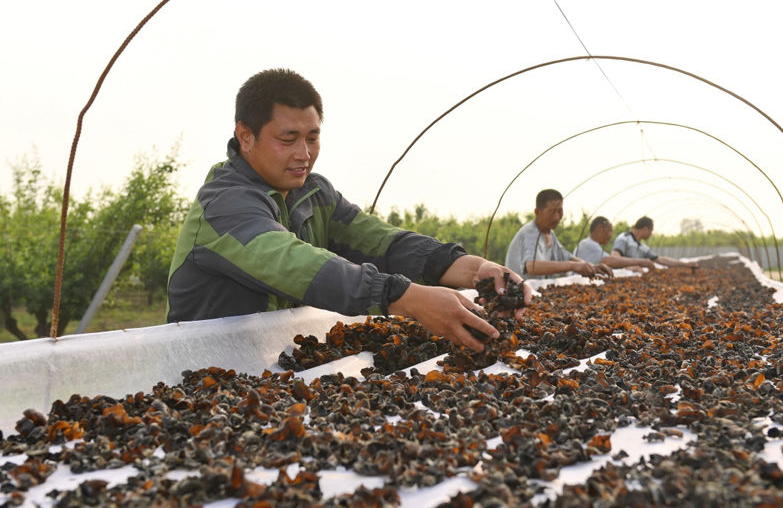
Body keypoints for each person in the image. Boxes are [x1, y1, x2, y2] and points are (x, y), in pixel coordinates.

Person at [166, 68, 532, 352]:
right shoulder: (225, 205)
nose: (304, 154)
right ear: (245, 136)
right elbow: (295, 264)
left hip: (273, 368)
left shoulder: (314, 193)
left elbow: (382, 242)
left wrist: (476, 271)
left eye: (312, 137)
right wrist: (405, 297)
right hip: (203, 376)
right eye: (288, 139)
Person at [504, 189, 613, 279]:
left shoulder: (550, 233)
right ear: (537, 212)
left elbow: (566, 257)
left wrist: (592, 267)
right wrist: (573, 266)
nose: (557, 217)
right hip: (519, 294)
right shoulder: (530, 232)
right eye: (551, 212)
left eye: (560, 211)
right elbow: (532, 266)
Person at [611, 216, 699, 268]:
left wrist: (685, 264)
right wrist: (630, 266)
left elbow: (660, 259)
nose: (651, 234)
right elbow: (614, 257)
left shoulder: (642, 247)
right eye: (651, 230)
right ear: (645, 229)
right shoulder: (624, 238)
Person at [574, 216, 657, 271]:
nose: (611, 235)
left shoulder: (592, 245)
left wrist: (629, 267)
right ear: (600, 228)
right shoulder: (588, 244)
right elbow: (609, 260)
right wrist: (640, 262)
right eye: (610, 231)